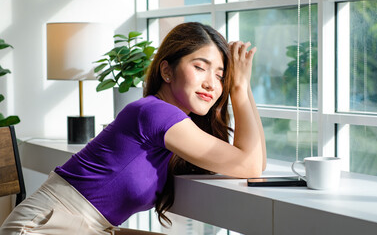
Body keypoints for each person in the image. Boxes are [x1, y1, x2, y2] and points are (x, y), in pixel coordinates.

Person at [0, 22, 266, 235]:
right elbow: (250, 164)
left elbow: (257, 162)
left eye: (220, 76)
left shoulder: (169, 123)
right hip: (43, 227)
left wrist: (242, 85)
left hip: (87, 226)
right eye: (200, 67)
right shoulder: (155, 113)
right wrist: (239, 88)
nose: (211, 83)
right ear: (167, 71)